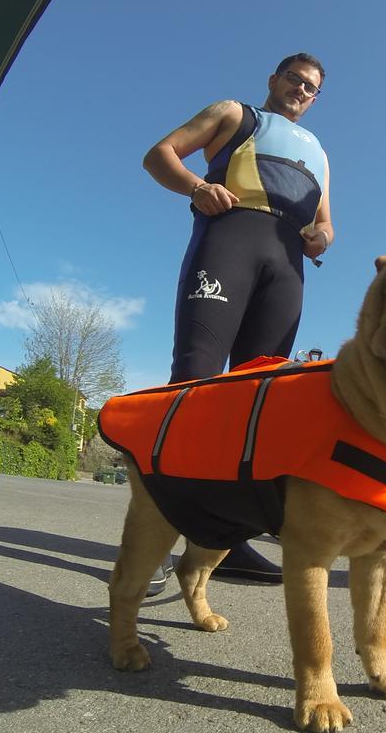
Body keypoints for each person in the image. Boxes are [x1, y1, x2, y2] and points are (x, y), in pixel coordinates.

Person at [140, 53, 335, 593]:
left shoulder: (319, 151)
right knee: (195, 385)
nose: (301, 90)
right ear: (274, 79)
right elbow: (159, 156)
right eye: (294, 79)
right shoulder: (234, 113)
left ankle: (224, 543)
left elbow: (325, 224)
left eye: (311, 87)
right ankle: (158, 538)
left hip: (287, 268)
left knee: (258, 401)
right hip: (229, 239)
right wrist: (196, 188)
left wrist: (322, 238)